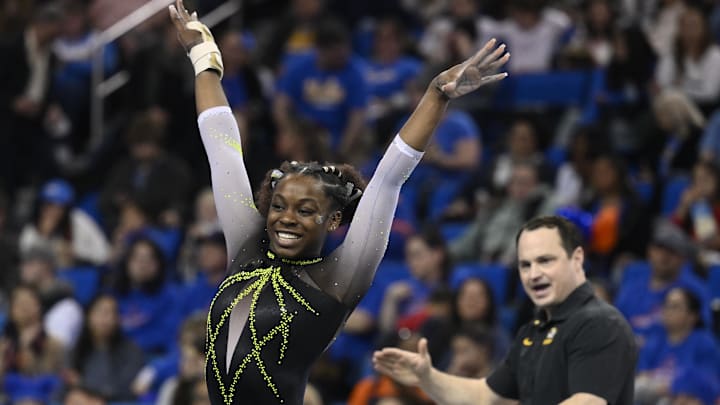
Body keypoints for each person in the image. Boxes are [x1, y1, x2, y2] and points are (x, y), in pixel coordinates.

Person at [168, 1, 509, 404]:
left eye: (306, 210)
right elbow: (221, 147)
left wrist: (436, 95)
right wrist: (203, 54)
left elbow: (387, 179)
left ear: (333, 221)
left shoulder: (337, 278)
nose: (286, 219)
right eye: (279, 206)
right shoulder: (248, 249)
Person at [373, 215, 638, 404]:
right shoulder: (533, 331)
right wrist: (427, 378)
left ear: (577, 258)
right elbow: (483, 395)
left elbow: (587, 401)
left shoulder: (600, 323)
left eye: (545, 261)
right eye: (525, 265)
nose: (534, 274)